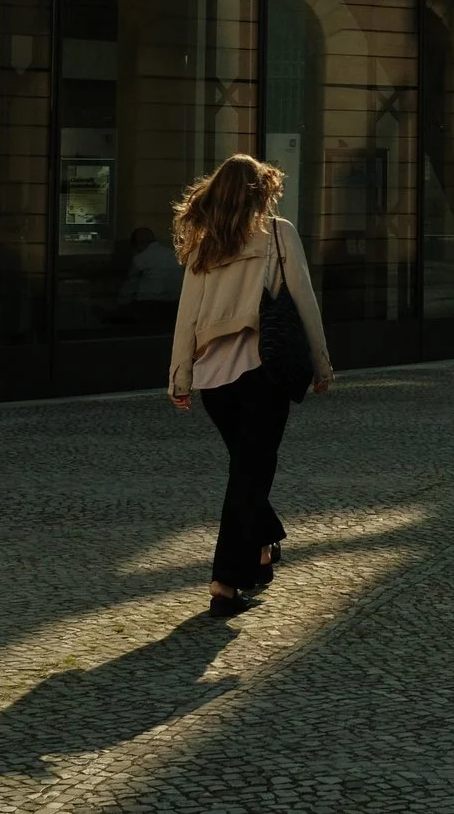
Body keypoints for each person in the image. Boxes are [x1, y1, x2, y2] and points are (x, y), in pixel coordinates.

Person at [168, 155, 334, 618]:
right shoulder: (278, 233)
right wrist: (320, 364)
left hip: (214, 381)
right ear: (261, 192)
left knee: (247, 469)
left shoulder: (204, 244)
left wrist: (181, 376)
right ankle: (224, 583)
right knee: (249, 475)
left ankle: (261, 550)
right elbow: (304, 300)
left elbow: (187, 317)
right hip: (263, 370)